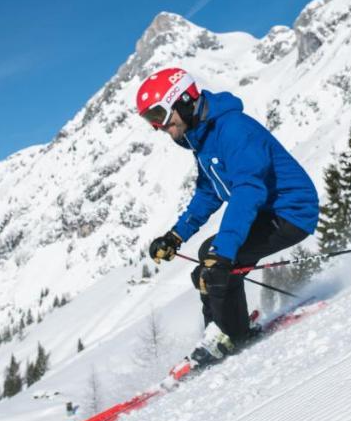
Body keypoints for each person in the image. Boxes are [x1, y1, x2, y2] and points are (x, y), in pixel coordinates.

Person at [137, 67, 319, 367]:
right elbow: (209, 193)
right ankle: (221, 331)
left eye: (159, 115)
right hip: (265, 211)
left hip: (291, 211)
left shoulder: (233, 129)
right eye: (150, 120)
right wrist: (175, 236)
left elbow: (248, 190)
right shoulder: (202, 139)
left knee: (217, 264)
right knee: (206, 269)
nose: (158, 127)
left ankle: (230, 337)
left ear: (183, 101)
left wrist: (223, 254)